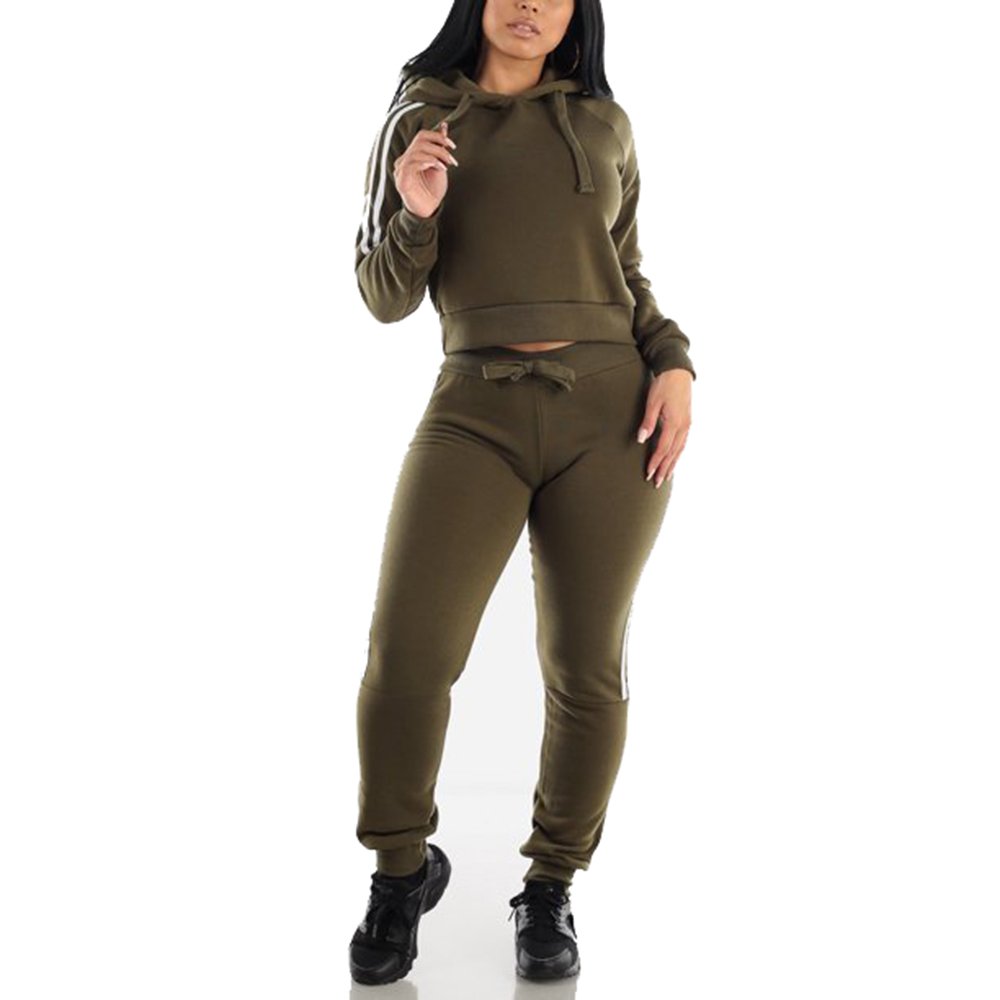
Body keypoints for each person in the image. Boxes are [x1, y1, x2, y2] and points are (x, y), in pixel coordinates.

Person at [348, 0, 697, 985]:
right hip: (474, 405)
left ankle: (550, 885)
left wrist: (674, 360)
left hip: (612, 413)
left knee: (586, 663)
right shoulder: (421, 114)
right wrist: (417, 211)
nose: (530, 4)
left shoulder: (603, 122)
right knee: (408, 656)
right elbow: (381, 295)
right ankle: (399, 871)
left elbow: (624, 270)